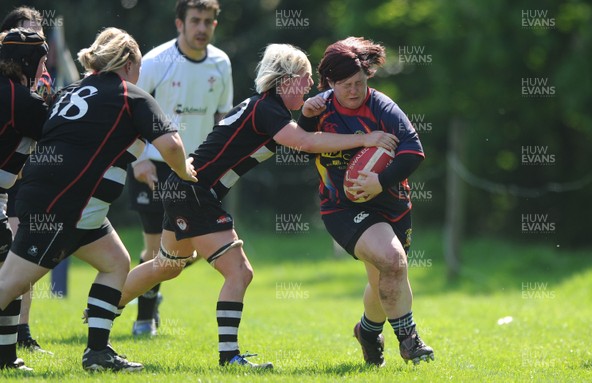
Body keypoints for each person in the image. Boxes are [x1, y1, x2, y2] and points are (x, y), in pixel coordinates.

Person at [115, 43, 398, 369]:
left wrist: (309, 114)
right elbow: (305, 142)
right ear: (285, 80)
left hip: (184, 188)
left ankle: (101, 310)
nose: (308, 86)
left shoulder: (266, 106)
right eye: (305, 78)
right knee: (239, 271)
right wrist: (366, 139)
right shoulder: (268, 109)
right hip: (195, 192)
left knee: (167, 266)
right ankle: (229, 357)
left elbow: (304, 136)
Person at [0, 27, 197, 372]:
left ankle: (97, 353)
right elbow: (172, 146)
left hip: (64, 201)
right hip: (67, 205)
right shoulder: (131, 95)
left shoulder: (70, 90)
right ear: (130, 62)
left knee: (115, 264)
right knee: (8, 284)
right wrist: (185, 172)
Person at [299, 37, 434, 367]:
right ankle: (410, 340)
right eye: (346, 85)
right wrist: (303, 115)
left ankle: (368, 331)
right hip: (342, 207)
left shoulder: (383, 108)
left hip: (392, 203)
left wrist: (379, 182)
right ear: (330, 82)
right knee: (392, 260)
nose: (354, 91)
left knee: (385, 276)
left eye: (359, 83)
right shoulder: (320, 109)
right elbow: (300, 143)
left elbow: (413, 152)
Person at [126, 0, 233, 337]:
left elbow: (222, 118)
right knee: (155, 246)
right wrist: (139, 159)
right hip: (156, 165)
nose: (201, 28)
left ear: (215, 25)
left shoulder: (221, 63)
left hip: (197, 171)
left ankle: (151, 288)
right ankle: (144, 320)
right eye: (195, 21)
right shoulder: (157, 61)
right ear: (179, 24)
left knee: (191, 252)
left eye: (208, 22)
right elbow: (129, 109)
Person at [0, 6, 53, 354]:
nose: (45, 70)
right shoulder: (20, 100)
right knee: (10, 273)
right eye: (41, 61)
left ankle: (7, 357)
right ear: (25, 61)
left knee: (8, 270)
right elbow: (57, 131)